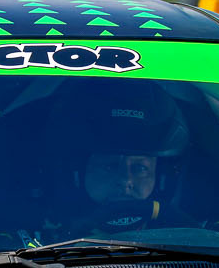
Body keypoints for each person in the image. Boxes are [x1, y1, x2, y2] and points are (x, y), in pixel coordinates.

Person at [43, 80, 190, 236]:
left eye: (140, 168)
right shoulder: (38, 240)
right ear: (77, 175)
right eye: (109, 166)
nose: (125, 181)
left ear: (161, 179)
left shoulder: (191, 240)